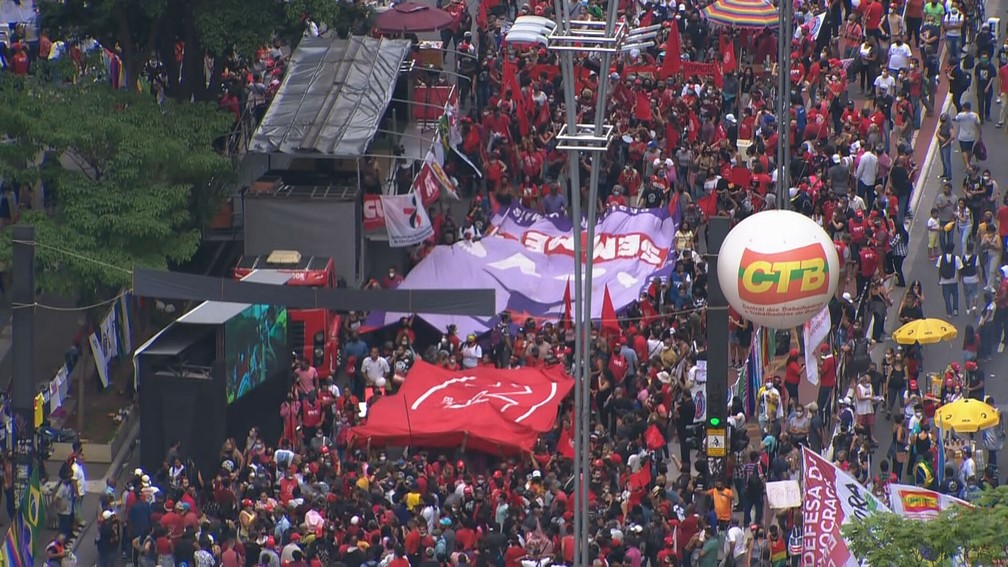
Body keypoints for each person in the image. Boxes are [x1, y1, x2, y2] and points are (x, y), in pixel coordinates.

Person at [952, 101, 982, 168]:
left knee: (964, 150)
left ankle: (967, 164)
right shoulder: (975, 115)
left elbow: (955, 119)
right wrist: (980, 133)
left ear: (964, 108)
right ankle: (969, 161)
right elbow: (978, 125)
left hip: (962, 136)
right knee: (969, 149)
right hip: (971, 135)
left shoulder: (961, 115)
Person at [936, 242, 963, 316]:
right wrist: (959, 277)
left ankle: (949, 312)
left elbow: (939, 269)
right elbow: (960, 268)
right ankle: (955, 310)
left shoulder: (941, 258)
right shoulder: (956, 258)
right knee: (955, 296)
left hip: (944, 281)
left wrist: (939, 279)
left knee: (946, 298)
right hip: (954, 280)